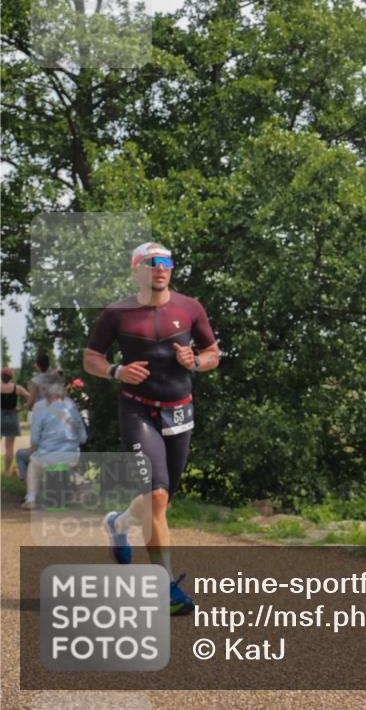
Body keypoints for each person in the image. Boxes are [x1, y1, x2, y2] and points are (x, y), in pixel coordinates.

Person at [83, 242, 220, 615]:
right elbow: (91, 358)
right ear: (136, 269)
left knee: (159, 502)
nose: (161, 268)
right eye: (152, 262)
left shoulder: (190, 308)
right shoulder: (117, 313)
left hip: (180, 411)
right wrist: (116, 371)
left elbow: (213, 355)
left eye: (167, 262)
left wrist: (196, 362)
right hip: (138, 410)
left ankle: (119, 523)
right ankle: (164, 588)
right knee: (156, 497)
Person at [20, 372, 87, 509]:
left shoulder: (39, 408)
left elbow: (34, 440)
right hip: (72, 456)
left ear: (45, 391)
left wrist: (37, 447)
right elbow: (83, 438)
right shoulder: (71, 406)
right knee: (65, 463)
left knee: (33, 464)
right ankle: (81, 482)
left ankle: (31, 498)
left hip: (48, 456)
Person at [1, 366, 30, 477]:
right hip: (12, 417)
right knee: (9, 447)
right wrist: (21, 409)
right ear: (11, 377)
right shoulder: (17, 388)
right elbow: (30, 397)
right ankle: (7, 471)